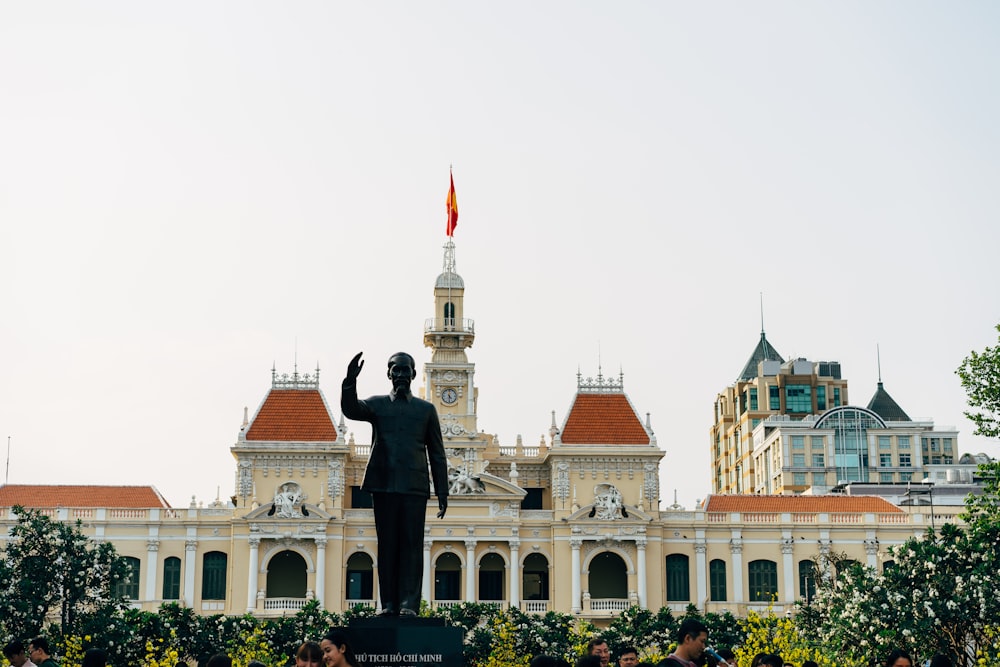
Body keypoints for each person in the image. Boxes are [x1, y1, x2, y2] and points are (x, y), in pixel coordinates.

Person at [341, 351, 449, 617]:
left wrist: (443, 491)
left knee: (412, 547)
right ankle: (388, 604)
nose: (400, 375)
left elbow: (437, 453)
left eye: (405, 370)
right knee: (387, 546)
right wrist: (349, 381)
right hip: (384, 484)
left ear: (413, 374)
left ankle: (409, 604)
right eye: (395, 370)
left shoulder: (426, 410)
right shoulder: (377, 405)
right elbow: (351, 409)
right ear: (389, 374)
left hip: (414, 487)